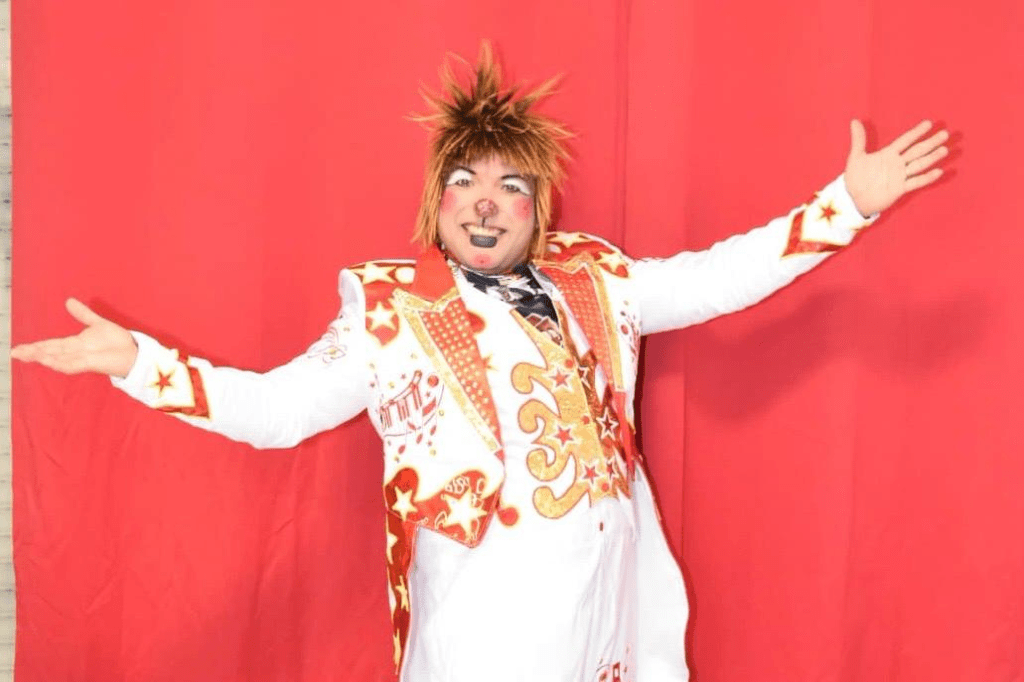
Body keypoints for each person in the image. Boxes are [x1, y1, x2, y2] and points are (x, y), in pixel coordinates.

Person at [11, 44, 948, 682]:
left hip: (612, 594)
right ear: (438, 204)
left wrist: (846, 205)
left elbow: (718, 280)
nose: (486, 202)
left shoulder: (598, 280)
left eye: (511, 183)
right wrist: (136, 361)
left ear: (539, 208)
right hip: (489, 620)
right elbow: (276, 410)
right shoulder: (389, 310)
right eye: (464, 182)